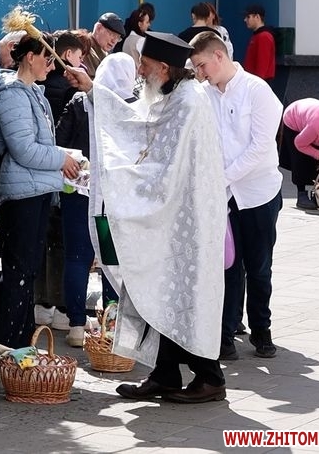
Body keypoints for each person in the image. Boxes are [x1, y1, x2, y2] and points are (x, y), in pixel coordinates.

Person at [66, 31, 228, 403]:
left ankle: (210, 378)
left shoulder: (189, 102)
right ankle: (165, 374)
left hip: (188, 222)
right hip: (169, 218)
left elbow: (162, 164)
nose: (139, 71)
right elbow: (138, 123)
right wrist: (94, 89)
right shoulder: (172, 95)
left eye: (145, 65)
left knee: (185, 297)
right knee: (158, 292)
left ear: (164, 68)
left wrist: (118, 179)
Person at [188, 31, 283, 360]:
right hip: (223, 197)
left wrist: (222, 178)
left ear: (219, 56)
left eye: (202, 65)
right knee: (227, 266)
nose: (200, 73)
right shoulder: (203, 95)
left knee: (258, 266)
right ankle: (225, 336)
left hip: (258, 194)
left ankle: (261, 330)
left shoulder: (257, 90)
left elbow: (260, 147)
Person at [0, 33, 81, 350]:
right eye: (47, 59)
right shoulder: (12, 97)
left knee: (28, 270)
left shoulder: (32, 94)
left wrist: (61, 158)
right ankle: (6, 343)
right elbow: (24, 149)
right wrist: (61, 159)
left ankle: (20, 342)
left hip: (36, 189)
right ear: (30, 57)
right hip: (22, 194)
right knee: (19, 270)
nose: (51, 66)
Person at [54, 53, 137, 347]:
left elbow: (59, 141)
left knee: (77, 258)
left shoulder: (80, 102)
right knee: (112, 261)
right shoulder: (131, 107)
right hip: (116, 198)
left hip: (80, 191)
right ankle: (110, 329)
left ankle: (77, 325)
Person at [41, 30, 86, 121]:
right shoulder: (72, 85)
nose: (81, 63)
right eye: (79, 57)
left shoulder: (38, 75)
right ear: (68, 54)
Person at [83, 13, 125, 77]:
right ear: (98, 28)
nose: (114, 41)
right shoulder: (84, 49)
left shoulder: (106, 55)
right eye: (112, 34)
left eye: (118, 37)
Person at [243, 4, 276, 81]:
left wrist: (258, 82)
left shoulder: (264, 36)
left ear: (257, 17)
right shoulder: (257, 35)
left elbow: (262, 65)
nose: (245, 20)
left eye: (248, 17)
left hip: (258, 81)